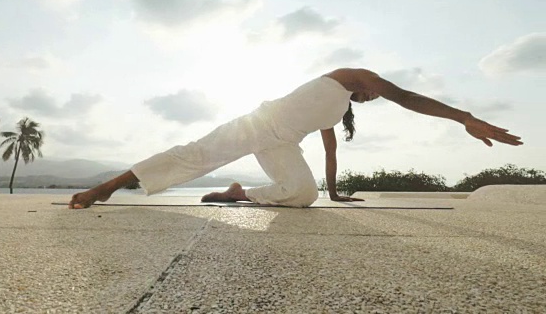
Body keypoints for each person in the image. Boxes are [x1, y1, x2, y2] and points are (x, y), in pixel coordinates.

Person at [68, 68, 523, 209]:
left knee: (303, 195)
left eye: (368, 100)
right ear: (369, 84)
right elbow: (405, 96)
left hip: (279, 143)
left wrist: (336, 191)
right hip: (255, 124)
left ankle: (240, 193)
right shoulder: (350, 75)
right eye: (371, 95)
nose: (370, 98)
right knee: (193, 157)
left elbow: (329, 148)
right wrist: (464, 116)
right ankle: (106, 187)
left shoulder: (337, 110)